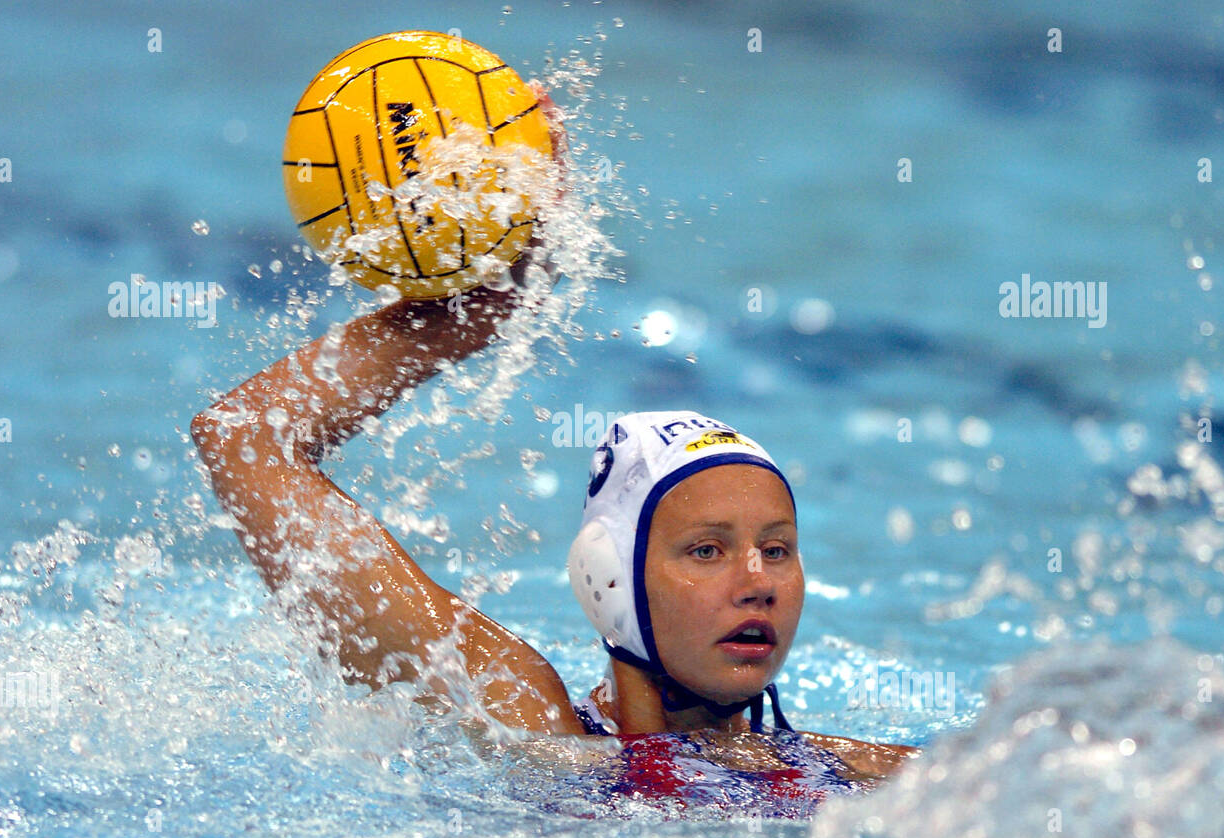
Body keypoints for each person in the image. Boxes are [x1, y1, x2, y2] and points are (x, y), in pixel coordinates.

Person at [190, 91, 916, 784]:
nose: (757, 582)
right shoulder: (523, 722)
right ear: (611, 579)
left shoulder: (860, 776)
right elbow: (245, 438)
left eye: (778, 550)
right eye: (706, 549)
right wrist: (475, 313)